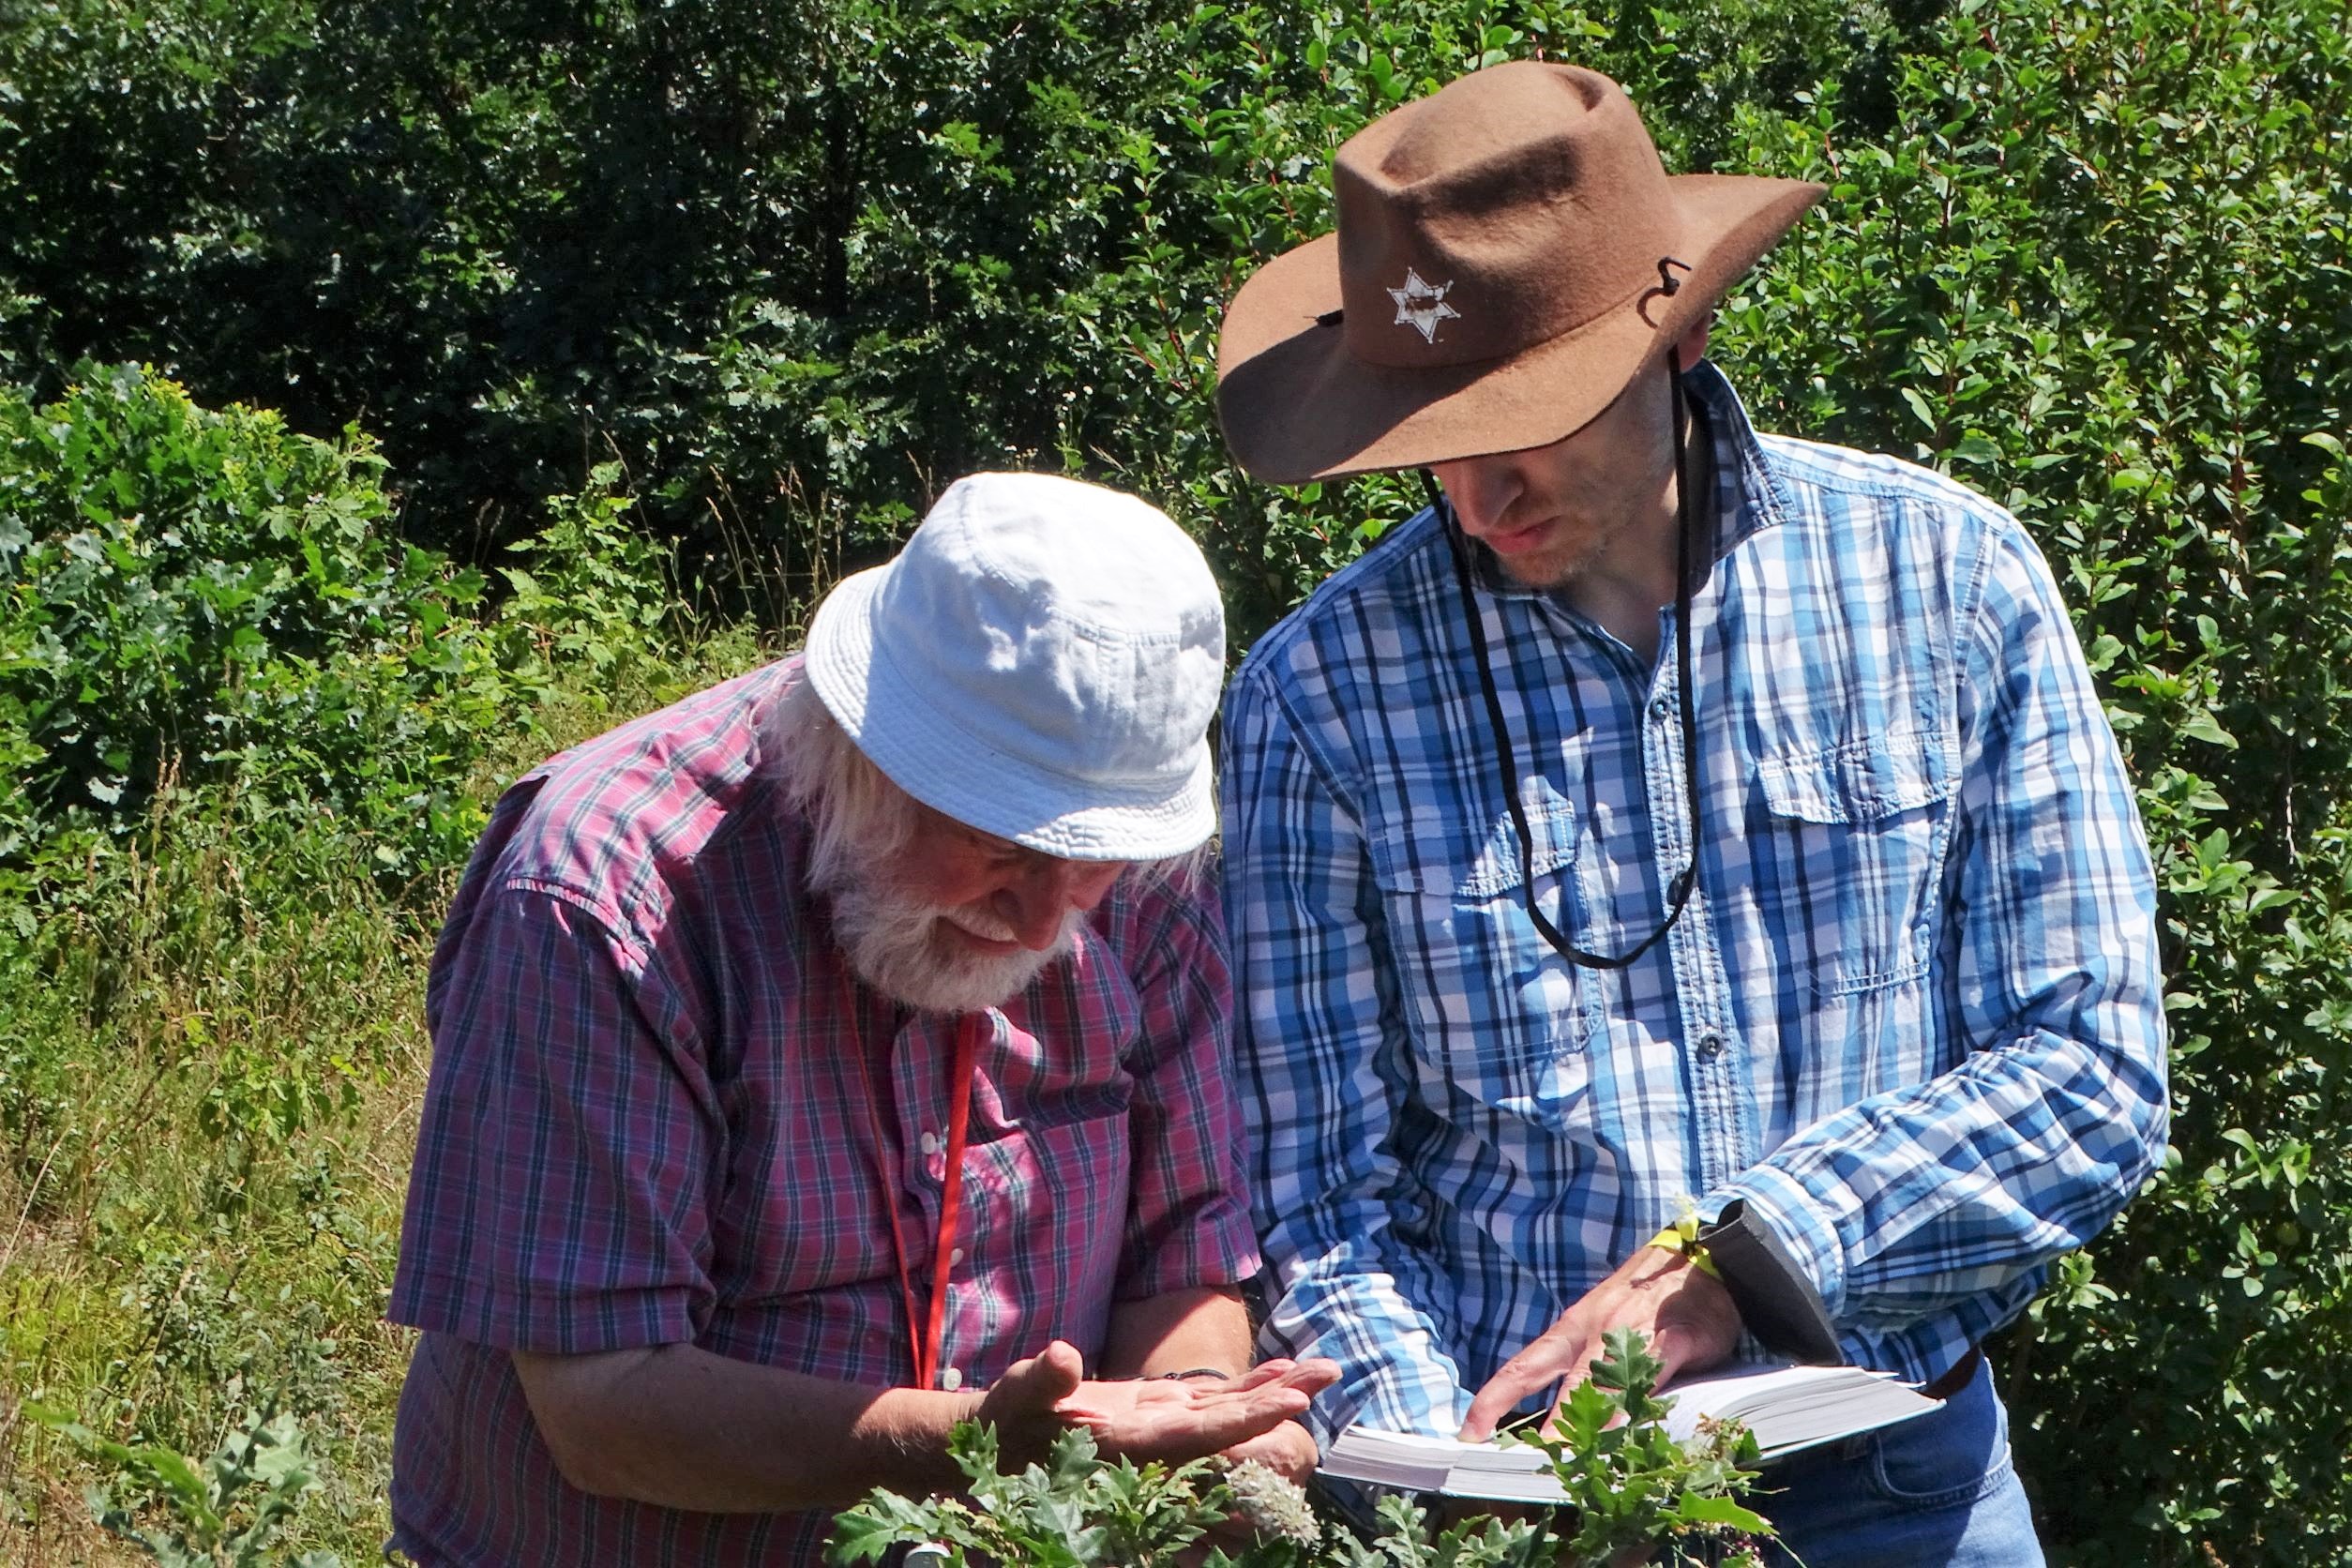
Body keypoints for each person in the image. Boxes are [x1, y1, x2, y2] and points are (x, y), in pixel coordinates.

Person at [1212, 61, 2165, 1566]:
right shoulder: (1315, 701)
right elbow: (1316, 1200)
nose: (1472, 493)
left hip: (1901, 1493)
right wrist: (1457, 1478)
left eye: (1525, 416)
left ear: (1685, 334)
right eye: (1425, 435)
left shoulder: (1948, 585)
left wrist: (1740, 1266)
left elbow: (2091, 1069)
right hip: (1529, 1521)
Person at [384, 472, 1335, 1564]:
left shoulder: (1133, 875)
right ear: (863, 755)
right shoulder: (606, 891)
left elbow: (1183, 1244)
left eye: (1090, 867)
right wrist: (984, 1443)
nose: (1041, 926)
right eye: (1000, 854)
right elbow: (603, 1408)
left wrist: (1199, 1416)